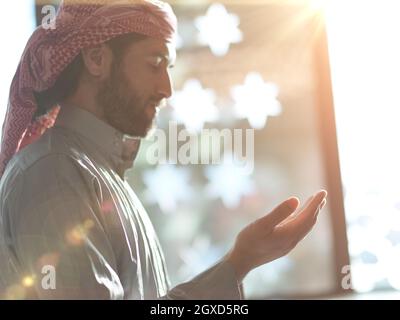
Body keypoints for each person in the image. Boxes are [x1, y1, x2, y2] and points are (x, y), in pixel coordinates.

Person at [0, 0, 327, 300]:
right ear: (97, 59)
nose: (166, 89)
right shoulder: (54, 173)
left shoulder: (94, 172)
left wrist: (240, 263)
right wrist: (236, 264)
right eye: (155, 64)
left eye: (168, 68)